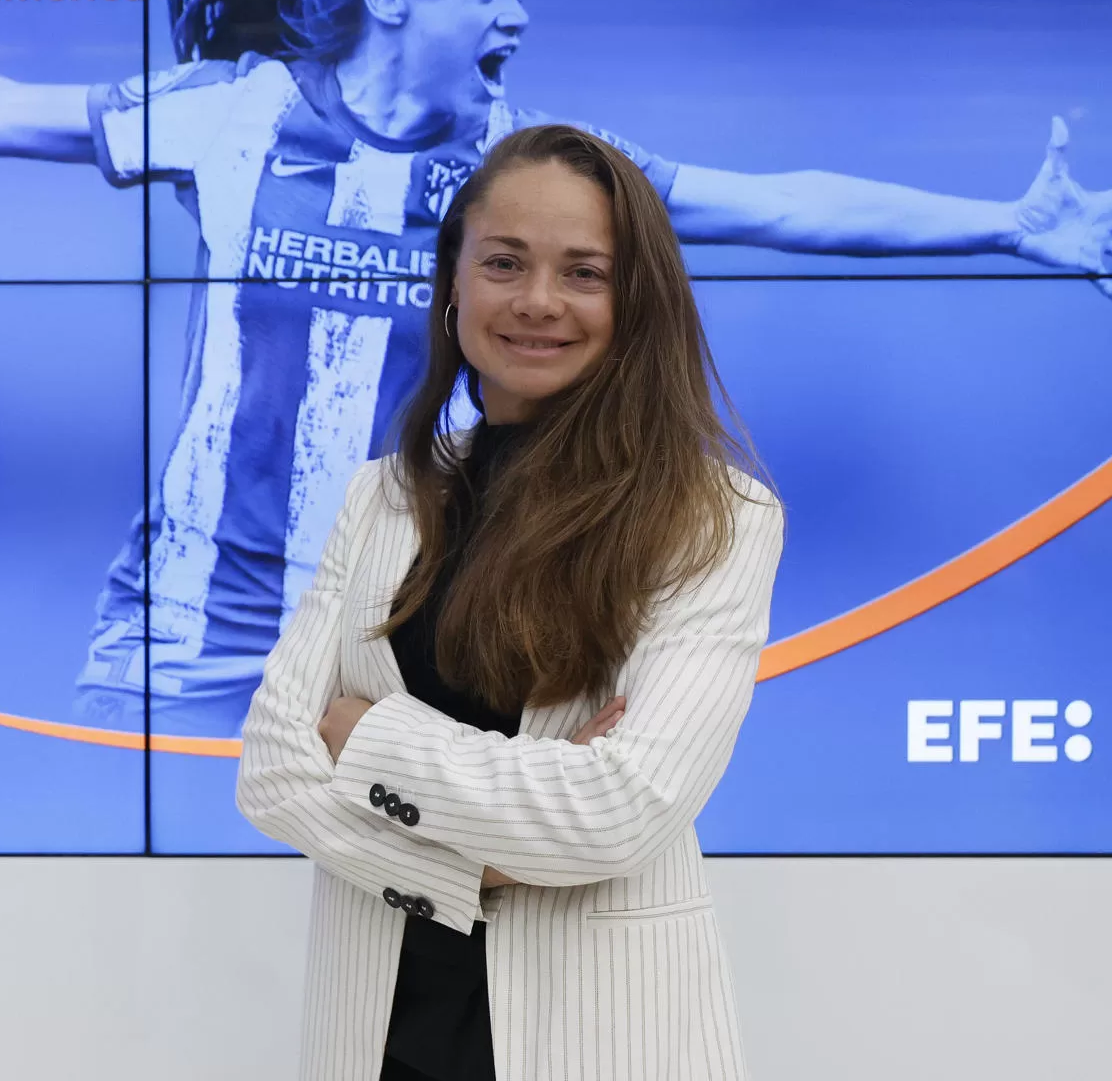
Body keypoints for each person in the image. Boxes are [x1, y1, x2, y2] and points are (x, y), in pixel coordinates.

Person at [0, 0, 1112, 738]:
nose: (520, 13)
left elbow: (766, 201)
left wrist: (1006, 227)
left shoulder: (531, 165)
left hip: (424, 631)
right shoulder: (236, 116)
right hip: (191, 623)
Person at [236, 124, 782, 1081]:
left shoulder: (715, 517)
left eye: (584, 272)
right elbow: (274, 772)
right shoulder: (381, 496)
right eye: (504, 262)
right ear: (453, 282)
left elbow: (619, 810)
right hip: (378, 1040)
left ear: (637, 298)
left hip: (602, 1044)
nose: (537, 300)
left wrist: (367, 740)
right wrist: (479, 865)